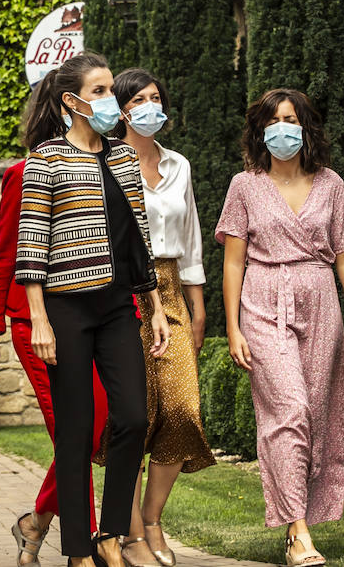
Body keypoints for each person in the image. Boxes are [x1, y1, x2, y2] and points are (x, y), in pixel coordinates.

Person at [14, 52, 170, 567]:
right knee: (77, 431)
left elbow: (138, 241)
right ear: (71, 102)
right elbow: (31, 246)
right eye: (100, 92)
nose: (109, 102)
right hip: (65, 311)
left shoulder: (124, 159)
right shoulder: (47, 160)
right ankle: (80, 551)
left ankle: (111, 533)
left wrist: (156, 306)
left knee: (131, 418)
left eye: (110, 91)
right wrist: (39, 319)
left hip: (116, 307)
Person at [216, 88, 344, 567]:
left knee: (319, 415)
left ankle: (296, 523)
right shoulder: (244, 186)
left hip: (321, 300)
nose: (282, 128)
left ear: (306, 127)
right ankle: (299, 533)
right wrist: (234, 327)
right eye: (273, 121)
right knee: (290, 409)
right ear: (261, 132)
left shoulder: (331, 185)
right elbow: (233, 263)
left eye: (290, 119)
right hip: (264, 303)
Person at [0, 124, 110, 567]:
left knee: (95, 423)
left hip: (87, 317)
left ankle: (35, 522)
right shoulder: (23, 173)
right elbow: (3, 256)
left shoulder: (99, 167)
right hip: (36, 325)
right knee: (73, 432)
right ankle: (83, 547)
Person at [104, 69, 215, 567]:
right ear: (122, 109)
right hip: (122, 289)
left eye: (157, 97)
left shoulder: (179, 165)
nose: (152, 106)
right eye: (140, 99)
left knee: (182, 410)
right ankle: (131, 533)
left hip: (171, 286)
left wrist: (198, 308)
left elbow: (190, 237)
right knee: (130, 418)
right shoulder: (105, 161)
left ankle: (152, 518)